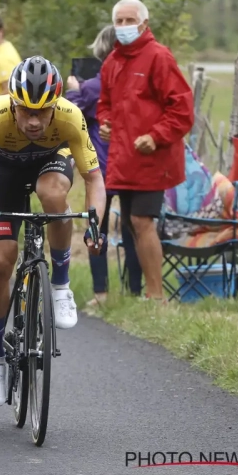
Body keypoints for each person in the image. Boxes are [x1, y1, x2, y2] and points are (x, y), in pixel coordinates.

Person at [0, 56, 106, 406]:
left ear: (56, 105)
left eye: (43, 112)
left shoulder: (70, 116)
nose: (34, 120)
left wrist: (96, 226)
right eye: (25, 111)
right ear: (13, 103)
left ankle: (60, 285)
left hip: (48, 162)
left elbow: (94, 178)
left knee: (53, 194)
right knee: (1, 260)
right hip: (2, 173)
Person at [97, 0, 194, 301]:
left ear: (144, 24)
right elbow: (105, 104)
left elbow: (182, 109)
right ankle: (147, 294)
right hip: (123, 159)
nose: (124, 27)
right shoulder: (112, 62)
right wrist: (105, 122)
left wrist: (156, 136)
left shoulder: (159, 57)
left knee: (142, 221)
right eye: (120, 21)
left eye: (130, 21)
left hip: (153, 158)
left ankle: (156, 296)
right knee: (130, 222)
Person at [65, 24, 142, 305]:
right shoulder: (134, 81)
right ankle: (135, 291)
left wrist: (76, 88)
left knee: (96, 229)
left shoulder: (94, 86)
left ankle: (101, 294)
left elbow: (70, 109)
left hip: (103, 170)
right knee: (134, 231)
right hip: (132, 166)